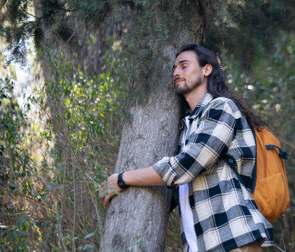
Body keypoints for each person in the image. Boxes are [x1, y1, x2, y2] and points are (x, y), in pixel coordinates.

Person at [99, 44, 274, 251]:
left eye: (183, 66)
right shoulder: (189, 126)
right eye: (174, 68)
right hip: (201, 244)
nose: (176, 72)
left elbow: (187, 165)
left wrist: (123, 178)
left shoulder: (221, 108)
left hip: (233, 238)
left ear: (206, 69)